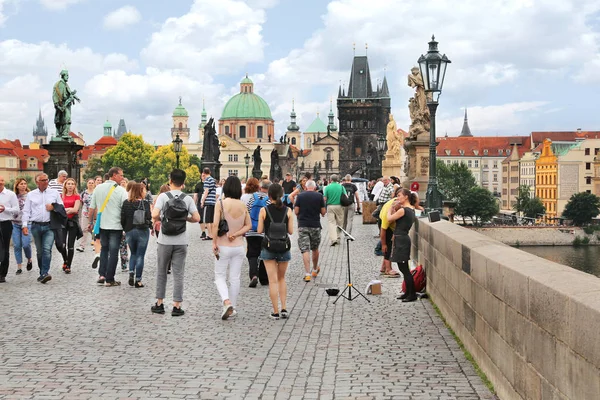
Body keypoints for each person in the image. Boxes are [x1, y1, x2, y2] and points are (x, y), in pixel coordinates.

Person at [151, 169, 200, 316]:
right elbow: (197, 218)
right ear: (183, 183)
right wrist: (185, 218)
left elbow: (154, 215)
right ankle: (176, 306)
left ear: (170, 180)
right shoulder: (188, 199)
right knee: (178, 273)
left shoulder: (163, 196)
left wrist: (164, 217)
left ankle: (159, 304)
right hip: (181, 240)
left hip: (164, 240)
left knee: (161, 272)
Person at [212, 176, 251, 320]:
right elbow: (248, 225)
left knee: (219, 276)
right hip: (239, 246)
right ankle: (233, 307)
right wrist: (236, 233)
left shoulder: (220, 203)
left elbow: (215, 225)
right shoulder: (242, 205)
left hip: (223, 245)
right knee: (235, 278)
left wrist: (214, 242)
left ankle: (226, 301)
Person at [257, 183, 293, 320]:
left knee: (272, 281)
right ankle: (284, 308)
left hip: (268, 247)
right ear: (281, 195)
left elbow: (260, 230)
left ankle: (275, 311)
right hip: (284, 247)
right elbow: (290, 231)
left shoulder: (264, 210)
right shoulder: (288, 211)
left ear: (269, 195)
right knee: (282, 278)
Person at [87, 167, 127, 286]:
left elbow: (92, 207)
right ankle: (110, 279)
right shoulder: (121, 190)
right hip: (116, 225)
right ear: (114, 175)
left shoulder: (98, 188)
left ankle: (102, 274)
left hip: (103, 225)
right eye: (120, 175)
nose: (122, 178)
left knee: (104, 250)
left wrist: (90, 222)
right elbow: (125, 208)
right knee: (114, 252)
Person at [22, 173, 63, 284]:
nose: (46, 182)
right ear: (37, 182)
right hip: (35, 225)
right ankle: (42, 272)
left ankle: (45, 273)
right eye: (43, 180)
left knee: (46, 249)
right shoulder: (31, 195)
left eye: (47, 179)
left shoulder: (54, 193)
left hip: (50, 226)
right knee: (39, 252)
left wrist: (53, 207)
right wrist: (24, 225)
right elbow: (26, 211)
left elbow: (61, 207)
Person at [387, 188, 418, 302]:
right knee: (403, 268)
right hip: (401, 238)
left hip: (402, 240)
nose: (397, 197)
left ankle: (412, 294)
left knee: (404, 269)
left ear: (406, 197)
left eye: (399, 195)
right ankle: (408, 292)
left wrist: (390, 208)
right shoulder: (410, 210)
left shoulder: (404, 210)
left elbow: (389, 218)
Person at [121, 183, 152, 288]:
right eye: (143, 190)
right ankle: (138, 280)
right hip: (142, 230)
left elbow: (122, 219)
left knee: (133, 253)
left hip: (130, 231)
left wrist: (126, 229)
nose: (145, 192)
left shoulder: (126, 203)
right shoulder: (145, 203)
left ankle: (131, 272)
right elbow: (149, 217)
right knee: (140, 255)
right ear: (139, 191)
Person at [294, 180, 325, 282]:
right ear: (315, 187)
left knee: (305, 249)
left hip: (303, 225)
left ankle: (307, 274)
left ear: (306, 187)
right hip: (315, 225)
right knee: (315, 248)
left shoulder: (300, 196)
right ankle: (315, 270)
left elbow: (296, 211)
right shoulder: (319, 196)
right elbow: (323, 212)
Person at [244, 179, 270, 287]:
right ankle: (264, 279)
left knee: (252, 254)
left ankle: (254, 275)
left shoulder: (252, 197)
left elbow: (247, 212)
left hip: (250, 231)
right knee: (264, 254)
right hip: (263, 232)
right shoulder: (269, 199)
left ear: (260, 187)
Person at [378, 187, 402, 277]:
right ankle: (388, 269)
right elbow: (383, 231)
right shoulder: (386, 216)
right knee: (388, 246)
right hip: (384, 224)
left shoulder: (398, 203)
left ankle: (383, 267)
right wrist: (383, 244)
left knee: (390, 244)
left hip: (391, 225)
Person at [60, 178, 81, 274]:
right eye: (68, 183)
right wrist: (69, 209)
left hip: (73, 222)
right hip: (63, 222)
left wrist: (66, 209)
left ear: (74, 186)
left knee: (70, 245)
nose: (70, 185)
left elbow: (75, 209)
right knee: (62, 245)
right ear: (65, 185)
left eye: (72, 184)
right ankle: (65, 260)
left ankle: (68, 265)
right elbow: (59, 209)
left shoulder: (77, 196)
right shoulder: (61, 196)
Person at [12, 178, 33, 275]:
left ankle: (29, 259)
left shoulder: (30, 195)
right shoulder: (13, 196)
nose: (23, 185)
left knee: (26, 244)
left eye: (25, 183)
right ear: (17, 186)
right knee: (17, 245)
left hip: (27, 223)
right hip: (15, 223)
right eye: (21, 184)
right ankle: (19, 266)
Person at [0, 176, 18, 282]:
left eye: (2, 181)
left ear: (4, 182)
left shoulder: (10, 194)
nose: (0, 183)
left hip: (6, 223)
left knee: (5, 248)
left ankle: (2, 273)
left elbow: (16, 210)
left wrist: (5, 209)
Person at [323, 174, 345, 246]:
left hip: (330, 206)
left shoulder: (328, 187)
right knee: (340, 222)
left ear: (330, 179)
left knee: (331, 223)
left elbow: (325, 198)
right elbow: (345, 196)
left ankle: (333, 239)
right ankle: (338, 237)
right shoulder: (341, 187)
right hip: (340, 206)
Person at [78, 178, 95, 252]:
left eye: (92, 183)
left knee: (93, 229)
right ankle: (82, 246)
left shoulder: (96, 192)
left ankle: (95, 243)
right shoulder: (83, 193)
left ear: (94, 184)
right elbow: (81, 202)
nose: (90, 184)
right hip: (85, 212)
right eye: (89, 183)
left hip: (94, 213)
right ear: (87, 184)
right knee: (84, 229)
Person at [200, 168, 217, 240]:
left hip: (208, 201)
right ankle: (213, 234)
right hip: (213, 201)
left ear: (204, 173)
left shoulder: (207, 180)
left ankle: (210, 235)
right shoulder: (213, 180)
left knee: (207, 220)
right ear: (209, 172)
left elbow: (206, 191)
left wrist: (202, 201)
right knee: (212, 220)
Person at [118, 178, 130, 271]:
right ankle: (124, 264)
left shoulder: (127, 193)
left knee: (122, 245)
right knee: (123, 245)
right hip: (121, 223)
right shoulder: (125, 196)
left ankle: (124, 263)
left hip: (119, 223)